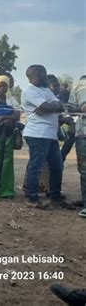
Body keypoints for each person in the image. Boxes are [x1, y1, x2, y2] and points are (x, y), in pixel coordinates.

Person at [21, 65, 70, 209]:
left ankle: (55, 196)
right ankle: (32, 198)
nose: (46, 76)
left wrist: (52, 106)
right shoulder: (29, 91)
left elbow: (59, 106)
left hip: (50, 134)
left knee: (57, 166)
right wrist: (51, 106)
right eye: (44, 74)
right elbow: (49, 107)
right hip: (37, 134)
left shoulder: (45, 90)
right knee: (36, 166)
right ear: (36, 74)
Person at [68, 75, 86, 218]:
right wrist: (80, 107)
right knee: (84, 169)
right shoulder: (78, 85)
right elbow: (70, 107)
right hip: (82, 133)